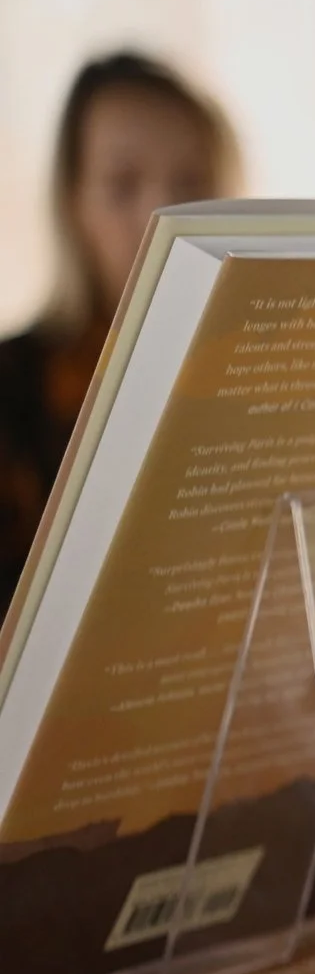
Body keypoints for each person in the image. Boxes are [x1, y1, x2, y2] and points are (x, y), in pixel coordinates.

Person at [1, 52, 238, 598]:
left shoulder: (256, 377)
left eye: (191, 181)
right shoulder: (14, 388)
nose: (162, 212)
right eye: (122, 183)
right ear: (73, 206)